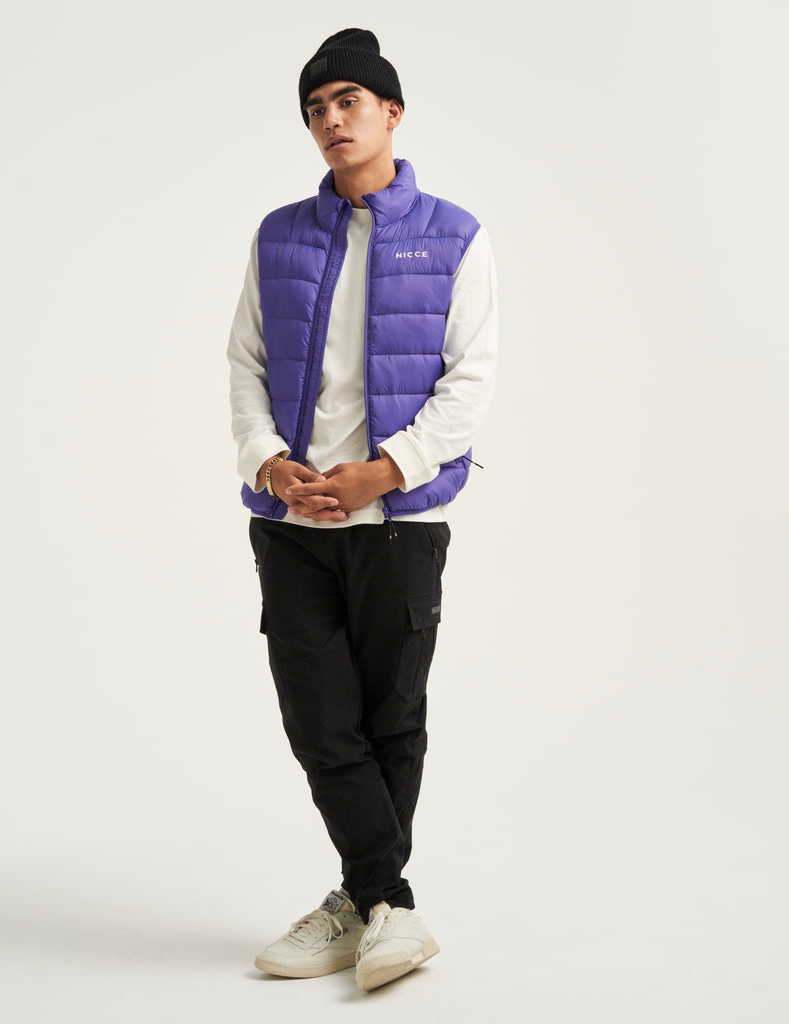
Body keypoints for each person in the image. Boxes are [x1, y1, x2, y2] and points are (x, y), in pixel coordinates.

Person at [227, 28, 498, 991]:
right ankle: (390, 906)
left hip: (399, 522)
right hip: (291, 525)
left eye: (348, 101)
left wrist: (382, 472)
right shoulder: (279, 236)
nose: (331, 120)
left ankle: (363, 903)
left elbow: (470, 384)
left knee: (391, 720)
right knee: (319, 720)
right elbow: (246, 364)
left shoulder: (456, 235)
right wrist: (269, 464)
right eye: (315, 108)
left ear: (391, 111)